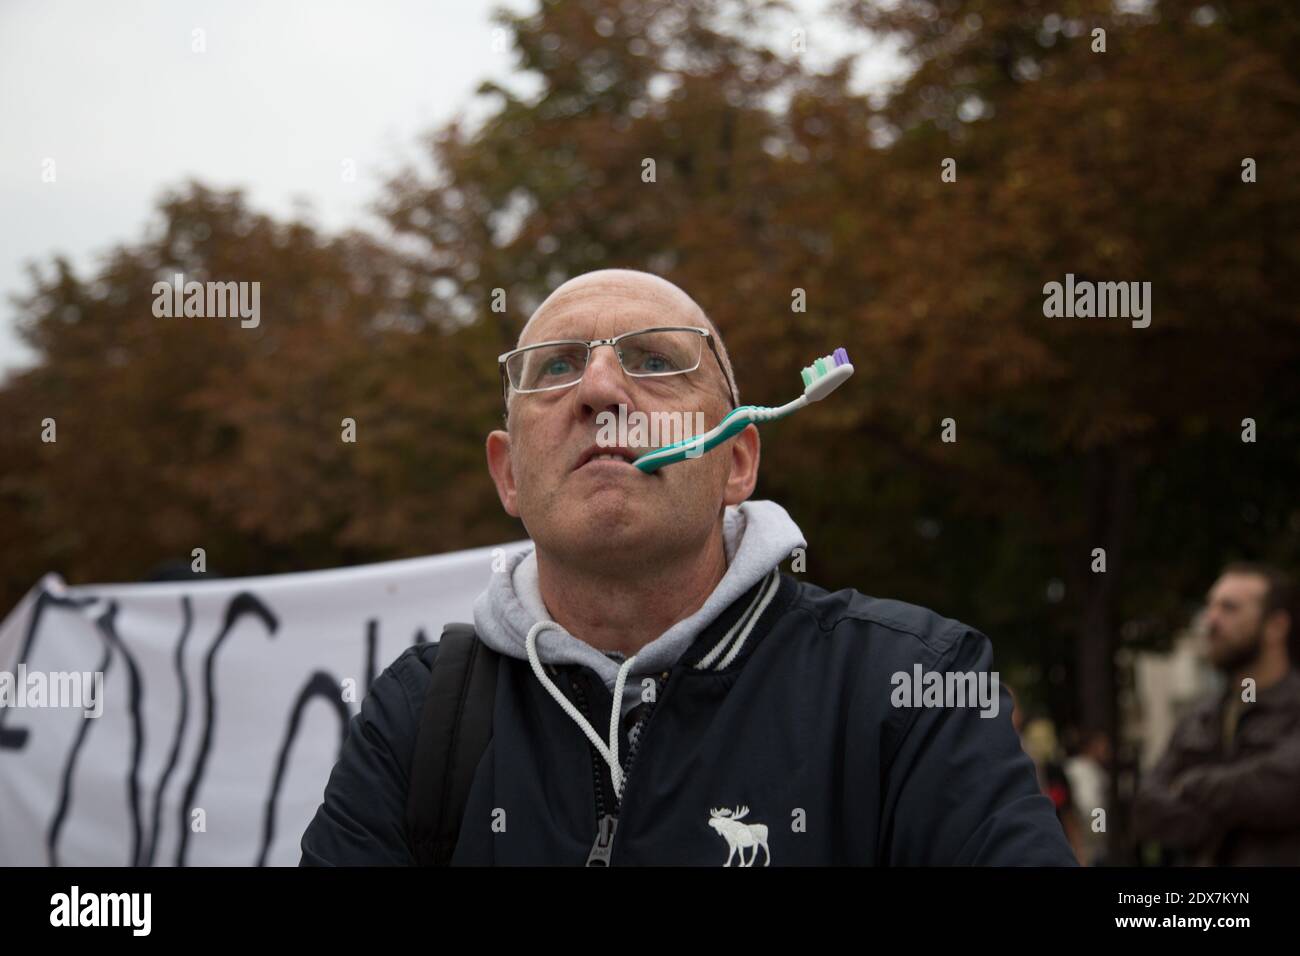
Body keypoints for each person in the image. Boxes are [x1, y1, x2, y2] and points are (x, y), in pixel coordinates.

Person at [300, 269, 1076, 865]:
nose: (601, 391)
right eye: (556, 367)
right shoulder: (415, 715)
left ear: (738, 460)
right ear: (508, 476)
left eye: (654, 361)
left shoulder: (914, 689)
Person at [1134, 562, 1300, 864]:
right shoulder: (1198, 719)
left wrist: (1188, 785)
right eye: (1210, 606)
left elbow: (1285, 786)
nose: (1211, 619)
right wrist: (1240, 814)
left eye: (1229, 608)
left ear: (1276, 626)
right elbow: (1147, 809)